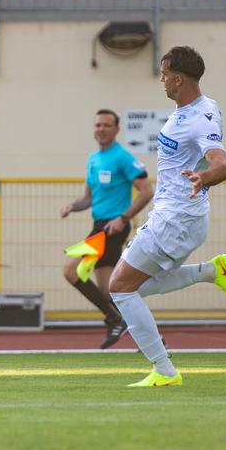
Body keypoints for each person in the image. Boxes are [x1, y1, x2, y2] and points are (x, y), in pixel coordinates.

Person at [109, 46, 226, 387]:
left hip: (176, 219)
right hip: (180, 217)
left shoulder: (199, 118)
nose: (162, 79)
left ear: (179, 79)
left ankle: (164, 370)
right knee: (135, 286)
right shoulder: (203, 107)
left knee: (120, 288)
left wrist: (205, 176)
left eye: (165, 73)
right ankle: (212, 271)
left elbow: (222, 165)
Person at [60, 109, 153, 349]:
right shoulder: (93, 159)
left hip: (113, 227)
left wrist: (123, 217)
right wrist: (72, 206)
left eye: (106, 125)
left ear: (116, 129)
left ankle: (114, 319)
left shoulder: (122, 157)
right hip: (99, 225)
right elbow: (88, 199)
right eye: (98, 125)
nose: (101, 129)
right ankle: (150, 337)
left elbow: (147, 191)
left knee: (71, 270)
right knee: (110, 290)